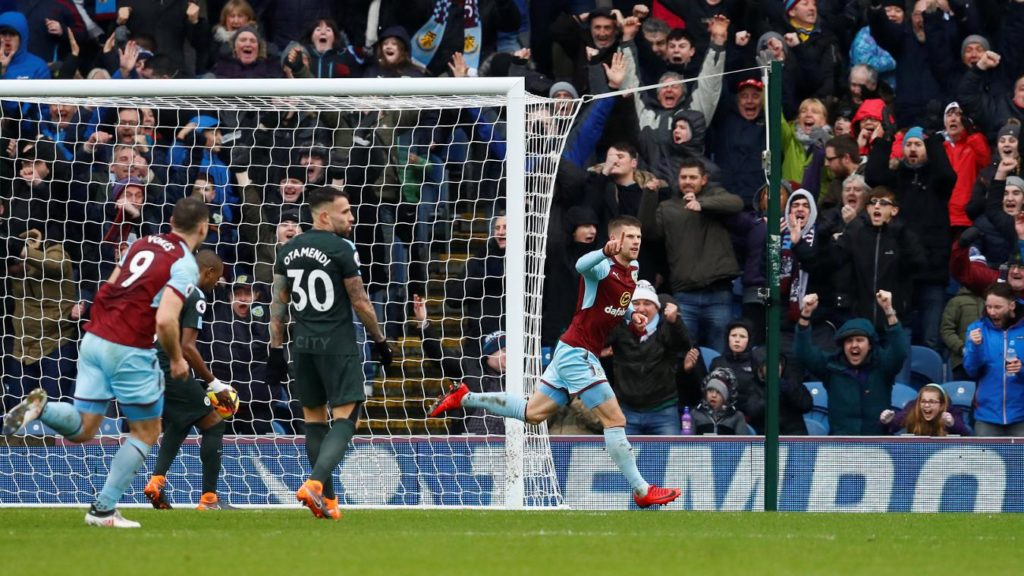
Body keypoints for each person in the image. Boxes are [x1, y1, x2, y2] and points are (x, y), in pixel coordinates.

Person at [429, 216, 682, 508]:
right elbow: (580, 266)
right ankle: (641, 489)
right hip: (578, 353)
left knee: (532, 413)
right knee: (616, 419)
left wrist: (630, 316)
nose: (636, 241)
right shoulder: (602, 266)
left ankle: (466, 397)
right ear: (615, 239)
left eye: (638, 236)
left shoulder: (633, 270)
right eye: (629, 236)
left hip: (570, 351)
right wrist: (603, 252)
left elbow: (612, 305)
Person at [2, 197, 210, 528]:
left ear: (171, 221)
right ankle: (102, 509)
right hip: (128, 347)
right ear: (204, 228)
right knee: (147, 430)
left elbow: (110, 285)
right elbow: (167, 321)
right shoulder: (184, 263)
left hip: (95, 337)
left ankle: (42, 409)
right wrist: (175, 359)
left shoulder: (141, 244)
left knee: (84, 429)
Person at [267, 187, 393, 520]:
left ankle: (329, 503)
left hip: (302, 347)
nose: (351, 217)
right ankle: (315, 483)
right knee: (347, 418)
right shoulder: (341, 249)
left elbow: (278, 305)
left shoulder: (288, 249)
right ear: (325, 216)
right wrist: (380, 341)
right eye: (346, 211)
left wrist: (276, 350)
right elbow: (360, 301)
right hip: (337, 346)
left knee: (314, 422)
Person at [143, 250, 233, 510]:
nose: (215, 285)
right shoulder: (195, 293)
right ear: (209, 272)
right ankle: (209, 499)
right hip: (167, 365)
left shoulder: (169, 287)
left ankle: (156, 483)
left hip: (141, 365)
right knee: (214, 422)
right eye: (217, 280)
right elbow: (188, 347)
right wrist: (215, 384)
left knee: (181, 422)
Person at [795, 290, 908, 435]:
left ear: (870, 345)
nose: (854, 345)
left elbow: (900, 351)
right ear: (843, 346)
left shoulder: (883, 365)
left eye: (860, 340)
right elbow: (803, 352)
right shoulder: (831, 367)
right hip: (841, 446)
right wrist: (805, 314)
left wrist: (888, 310)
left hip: (878, 444)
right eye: (849, 341)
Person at [604, 281, 690, 435]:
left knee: (667, 459)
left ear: (657, 308)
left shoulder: (667, 327)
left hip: (663, 412)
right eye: (636, 303)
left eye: (647, 303)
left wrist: (675, 323)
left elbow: (683, 345)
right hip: (626, 411)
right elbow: (596, 340)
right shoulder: (619, 328)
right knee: (622, 458)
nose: (641, 308)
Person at [963, 282, 1024, 436]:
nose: (992, 312)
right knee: (987, 460)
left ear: (1011, 305)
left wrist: (1021, 369)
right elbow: (971, 370)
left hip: (1021, 415)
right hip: (987, 415)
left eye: (997, 307)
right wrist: (976, 346)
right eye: (989, 306)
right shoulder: (976, 329)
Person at [880, 383, 971, 436]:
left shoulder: (951, 412)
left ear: (941, 405)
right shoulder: (913, 408)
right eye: (923, 401)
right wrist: (887, 422)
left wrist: (952, 424)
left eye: (932, 402)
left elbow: (966, 434)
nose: (926, 405)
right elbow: (895, 424)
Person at [691, 368, 750, 435]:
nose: (713, 395)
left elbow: (742, 443)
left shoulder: (737, 416)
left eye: (718, 392)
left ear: (726, 397)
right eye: (710, 390)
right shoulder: (695, 413)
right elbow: (688, 442)